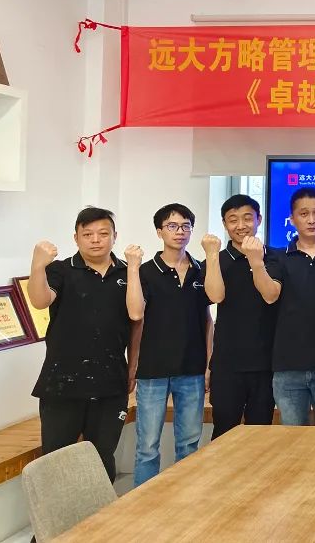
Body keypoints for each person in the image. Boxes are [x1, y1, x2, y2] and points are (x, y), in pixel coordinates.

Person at [28, 207, 132, 481]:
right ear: (76, 238)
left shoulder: (129, 272)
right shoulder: (61, 270)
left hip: (111, 384)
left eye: (103, 233)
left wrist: (133, 367)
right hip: (62, 384)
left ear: (115, 236)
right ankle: (57, 511)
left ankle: (103, 510)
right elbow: (39, 300)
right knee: (56, 461)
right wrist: (37, 265)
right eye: (87, 234)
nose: (95, 240)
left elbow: (137, 322)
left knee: (102, 459)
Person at [125, 203, 211, 486]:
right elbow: (136, 318)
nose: (180, 232)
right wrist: (133, 366)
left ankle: (186, 501)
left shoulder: (201, 270)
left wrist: (208, 364)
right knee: (148, 447)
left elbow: (207, 321)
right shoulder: (145, 272)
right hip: (153, 370)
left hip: (192, 369)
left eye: (186, 226)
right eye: (172, 226)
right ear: (159, 231)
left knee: (189, 445)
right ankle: (142, 504)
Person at [248, 187, 315, 426]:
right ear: (292, 219)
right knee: (292, 440)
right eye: (304, 214)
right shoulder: (278, 256)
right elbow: (270, 295)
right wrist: (256, 263)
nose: (311, 220)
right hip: (288, 366)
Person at [201, 194, 278, 438]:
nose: (241, 225)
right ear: (224, 224)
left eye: (247, 218)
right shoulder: (217, 260)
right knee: (223, 432)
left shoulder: (275, 257)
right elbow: (216, 296)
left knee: (260, 434)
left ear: (259, 219)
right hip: (227, 364)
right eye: (233, 220)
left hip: (265, 363)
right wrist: (212, 256)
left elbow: (270, 296)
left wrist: (256, 261)